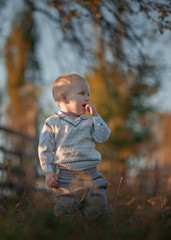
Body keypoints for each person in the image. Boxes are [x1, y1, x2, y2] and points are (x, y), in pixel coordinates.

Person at [38, 73, 111, 222]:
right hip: (66, 179)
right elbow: (45, 149)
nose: (87, 98)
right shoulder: (52, 123)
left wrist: (96, 117)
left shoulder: (89, 121)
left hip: (92, 176)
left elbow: (103, 136)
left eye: (88, 94)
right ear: (64, 98)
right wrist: (48, 171)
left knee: (98, 214)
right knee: (66, 215)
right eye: (82, 94)